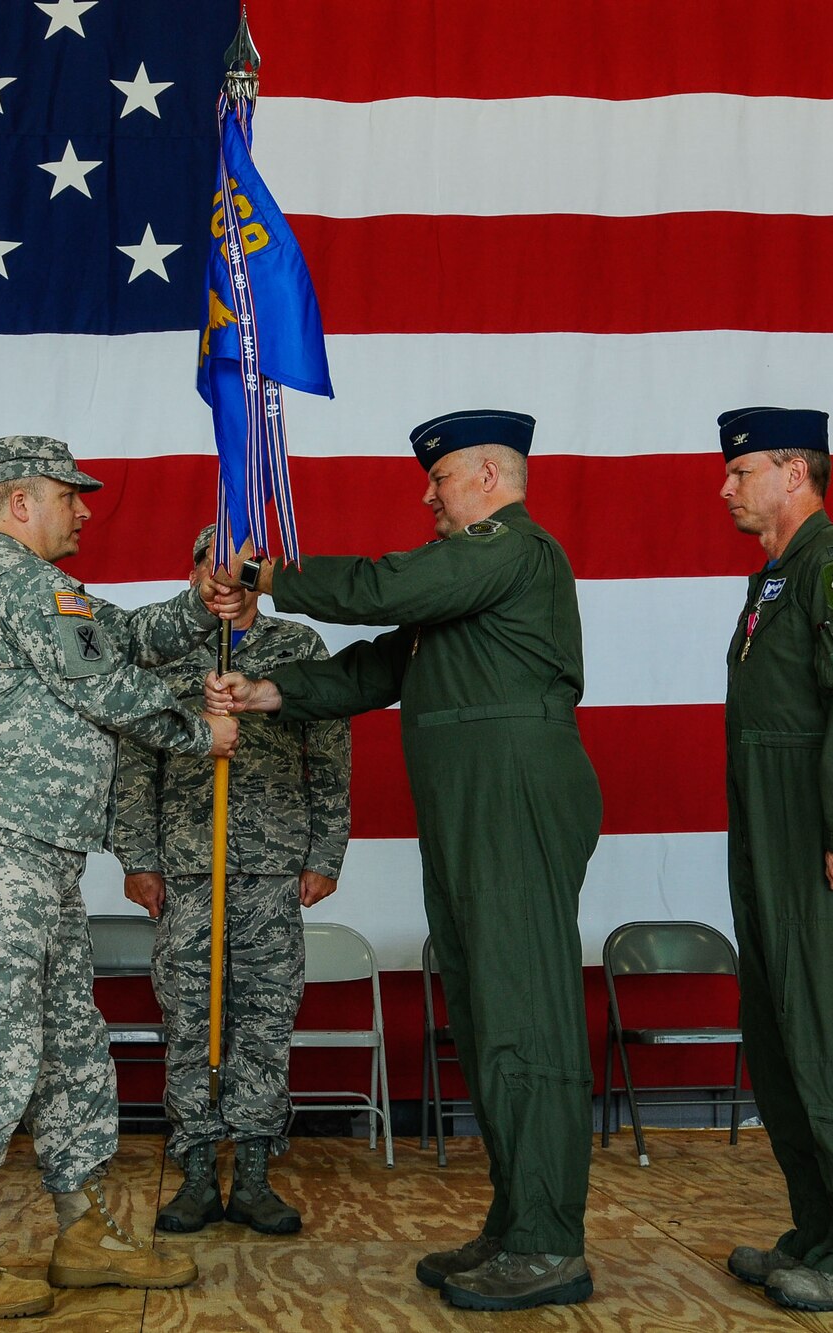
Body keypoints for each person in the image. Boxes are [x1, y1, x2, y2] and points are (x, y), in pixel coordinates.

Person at [205, 409, 602, 1311]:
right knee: (487, 1006)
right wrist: (270, 691)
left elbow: (384, 589)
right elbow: (381, 666)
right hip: (474, 806)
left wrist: (269, 574)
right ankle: (518, 1219)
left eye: (441, 478)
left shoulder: (511, 548)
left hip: (512, 800)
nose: (427, 494)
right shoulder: (465, 586)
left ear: (491, 481)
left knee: (524, 1015)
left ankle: (549, 1242)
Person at [0, 435, 244, 1320]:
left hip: (37, 848)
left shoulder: (45, 593)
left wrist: (200, 603)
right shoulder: (20, 583)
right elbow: (106, 685)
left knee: (67, 1040)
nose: (86, 509)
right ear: (21, 503)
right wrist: (195, 731)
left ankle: (82, 1227)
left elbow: (119, 635)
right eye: (69, 495)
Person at [715, 408, 833, 1313]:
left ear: (795, 471)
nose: (726, 485)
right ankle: (820, 1230)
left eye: (741, 468)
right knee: (785, 1033)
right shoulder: (776, 583)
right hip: (771, 836)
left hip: (826, 838)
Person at [111, 524, 351, 1238]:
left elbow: (329, 751)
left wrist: (324, 852)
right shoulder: (164, 646)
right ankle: (192, 1172)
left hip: (272, 865)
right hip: (185, 866)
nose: (223, 580)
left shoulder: (298, 650)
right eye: (208, 566)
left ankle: (251, 1172)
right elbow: (134, 759)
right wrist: (138, 857)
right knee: (189, 1016)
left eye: (240, 569)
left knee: (263, 1019)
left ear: (260, 577)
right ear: (189, 572)